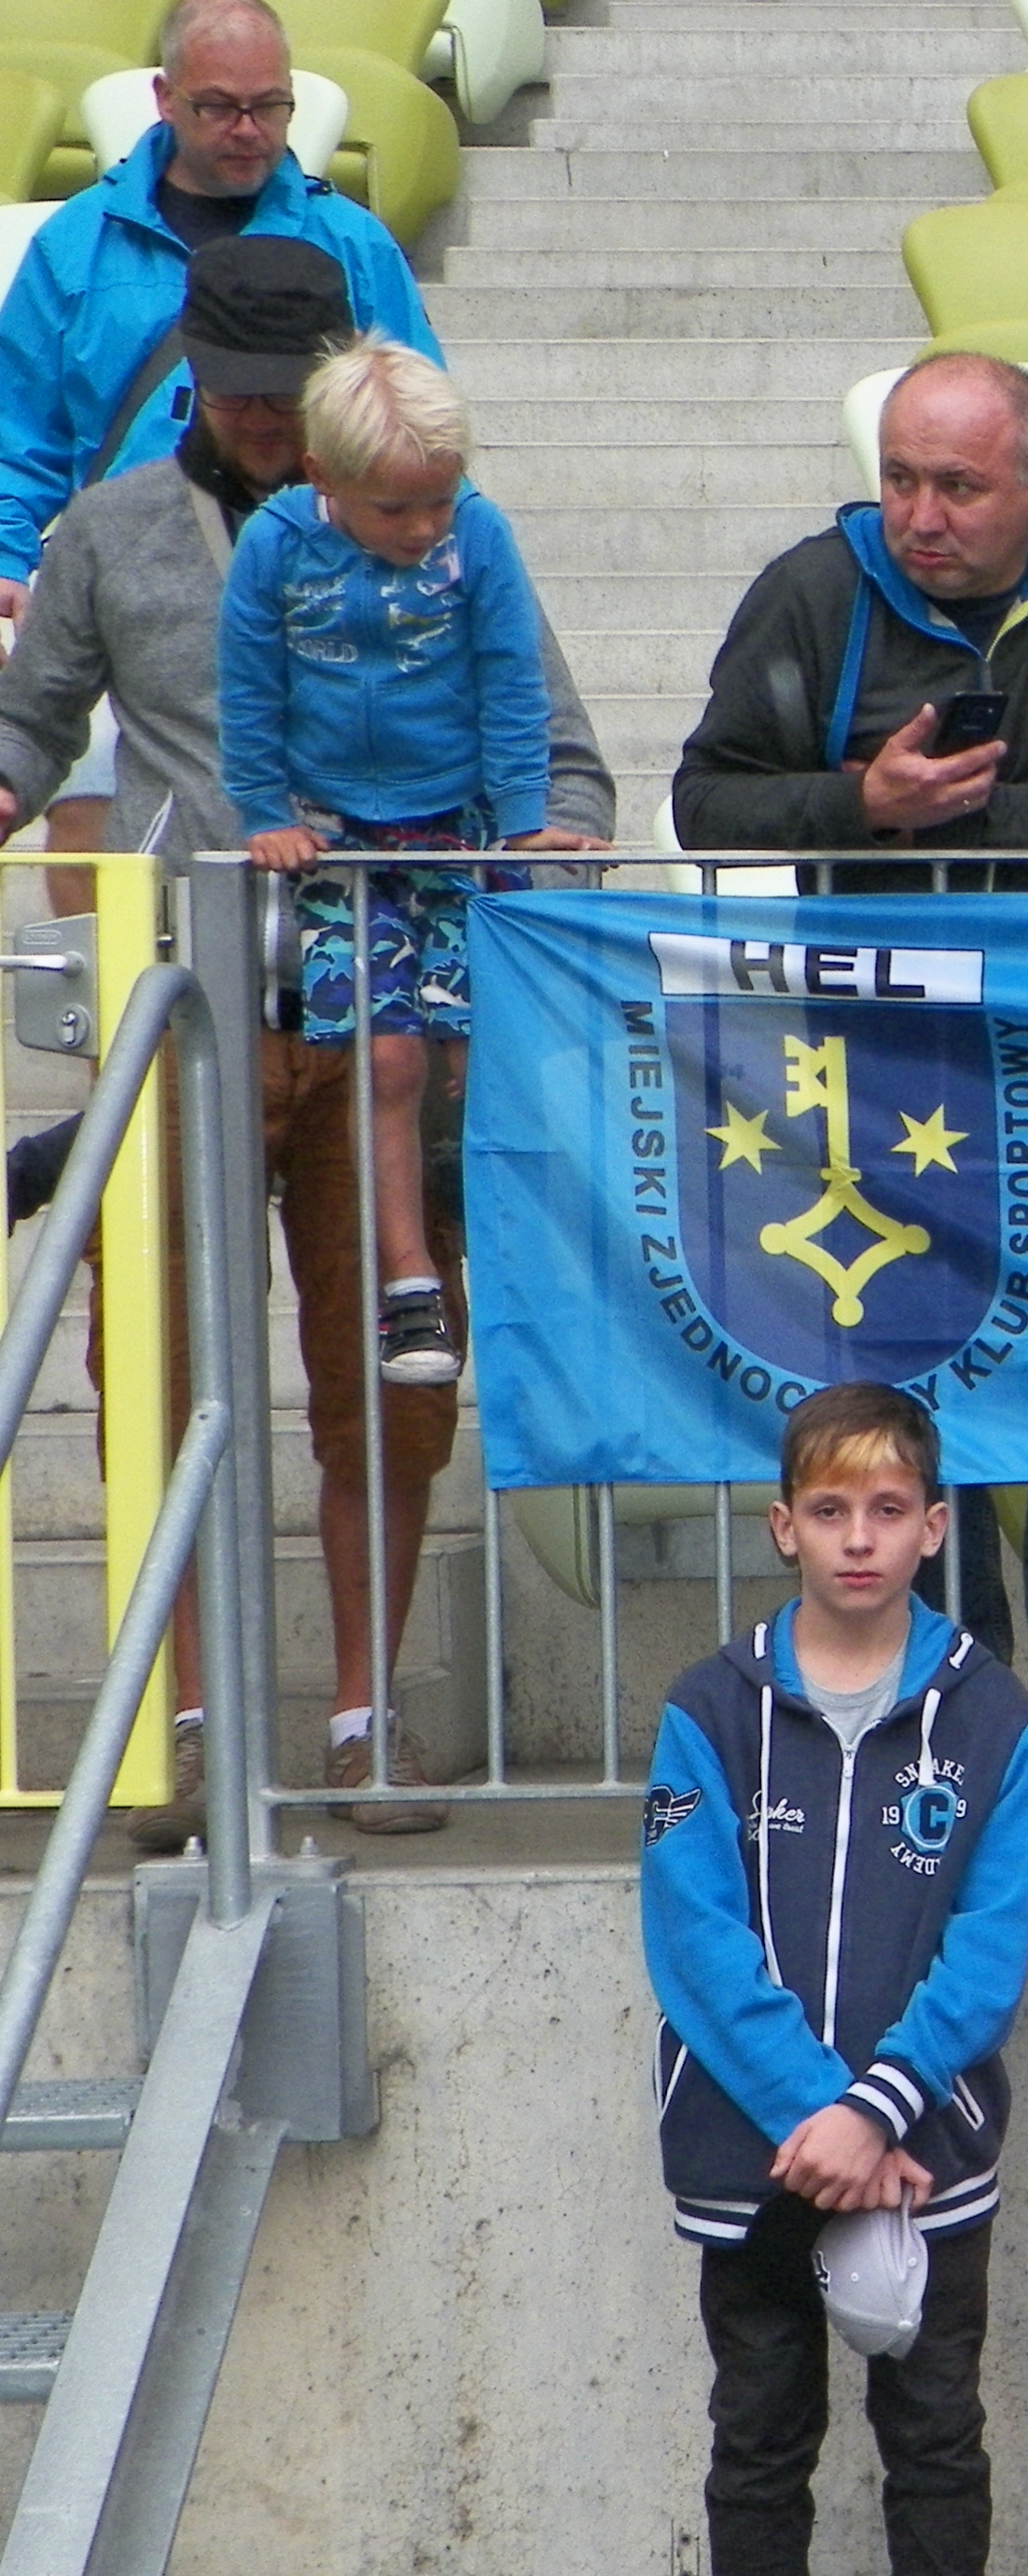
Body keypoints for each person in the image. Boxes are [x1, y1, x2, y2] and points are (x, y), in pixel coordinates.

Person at [0, 236, 614, 1846]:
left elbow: (555, 739)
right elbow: (35, 716)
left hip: (377, 1010)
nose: (268, 419)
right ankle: (197, 1723)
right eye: (244, 391)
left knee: (388, 1373)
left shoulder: (444, 532)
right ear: (193, 370)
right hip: (184, 1000)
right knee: (160, 1368)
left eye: (294, 393)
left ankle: (365, 1716)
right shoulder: (113, 530)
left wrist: (553, 831)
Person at [674, 350, 1028, 1720]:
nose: (921, 516)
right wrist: (863, 807)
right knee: (911, 1385)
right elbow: (707, 803)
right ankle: (964, 1689)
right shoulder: (812, 588)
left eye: (959, 487)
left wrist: (942, 820)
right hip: (878, 1066)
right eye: (900, 480)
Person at [633, 1382, 1028, 2576]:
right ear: (783, 1525)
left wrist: (877, 2108)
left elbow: (989, 1952)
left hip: (921, 2154)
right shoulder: (712, 1705)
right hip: (756, 2155)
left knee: (934, 2440)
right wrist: (811, 2114)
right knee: (760, 2441)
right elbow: (693, 1943)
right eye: (830, 1509)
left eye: (890, 1511)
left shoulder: (994, 1713)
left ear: (937, 1529)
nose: (859, 1538)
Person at [222, 336, 572, 1394]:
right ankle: (407, 1279)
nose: (424, 530)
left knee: (477, 1052)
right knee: (387, 1057)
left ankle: (510, 1255)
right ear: (321, 478)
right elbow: (245, 685)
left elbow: (514, 680)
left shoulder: (478, 537)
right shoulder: (277, 548)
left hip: (457, 826)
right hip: (344, 843)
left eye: (439, 502)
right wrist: (260, 810)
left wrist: (519, 821)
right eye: (395, 510)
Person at [0, 0, 433, 611]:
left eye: (270, 105)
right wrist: (4, 559)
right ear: (166, 97)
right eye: (220, 106)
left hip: (320, 590)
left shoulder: (354, 244)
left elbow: (419, 431)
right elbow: (15, 435)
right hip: (128, 588)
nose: (249, 129)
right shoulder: (75, 244)